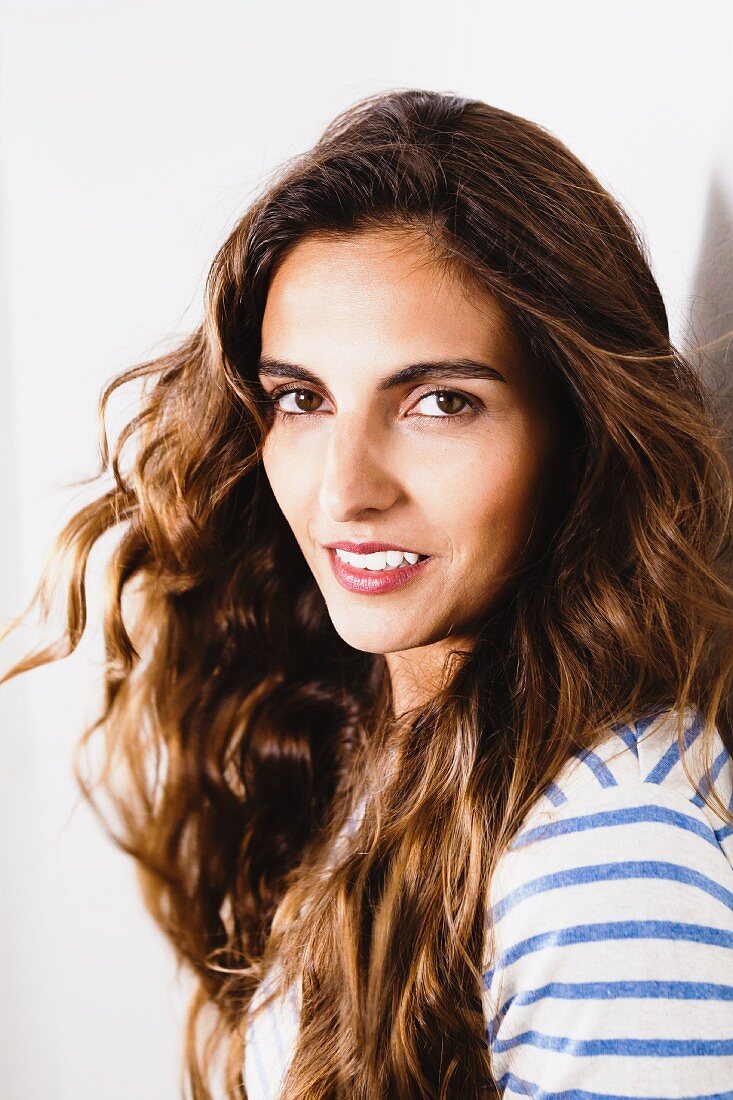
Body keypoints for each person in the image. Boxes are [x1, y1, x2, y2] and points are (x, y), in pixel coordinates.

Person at [1, 87, 732, 1099]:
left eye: (439, 401)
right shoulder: (377, 732)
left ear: (580, 429)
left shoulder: (607, 853)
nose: (344, 487)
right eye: (301, 399)